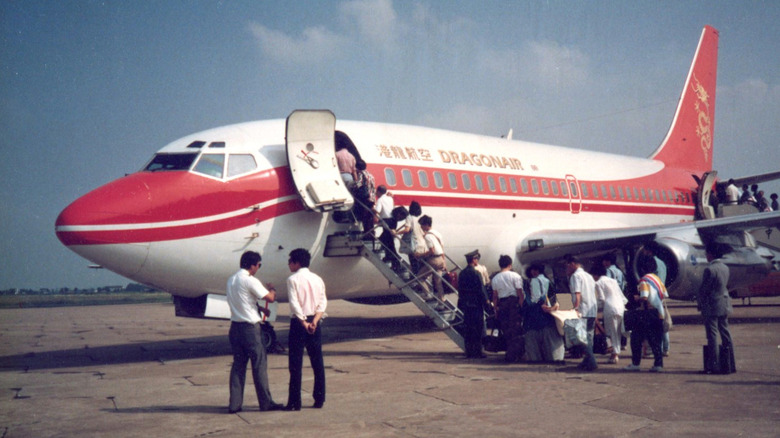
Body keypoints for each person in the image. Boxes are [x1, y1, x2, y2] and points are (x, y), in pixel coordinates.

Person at [226, 251, 283, 413]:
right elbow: (270, 298)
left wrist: (258, 308)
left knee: (238, 365)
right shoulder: (250, 280)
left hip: (235, 327)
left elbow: (243, 301)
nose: (258, 268)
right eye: (259, 265)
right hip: (250, 329)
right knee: (259, 365)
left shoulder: (231, 280)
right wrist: (272, 289)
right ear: (252, 265)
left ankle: (234, 404)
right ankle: (266, 403)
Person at [285, 248, 328, 410]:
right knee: (317, 362)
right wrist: (314, 321)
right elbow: (322, 302)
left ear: (296, 263)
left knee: (295, 364)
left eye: (290, 262)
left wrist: (303, 323)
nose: (288, 265)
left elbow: (294, 304)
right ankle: (319, 399)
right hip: (315, 322)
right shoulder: (318, 279)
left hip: (299, 323)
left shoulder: (292, 279)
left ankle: (295, 402)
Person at [697, 242, 735, 374]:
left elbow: (705, 289)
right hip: (724, 303)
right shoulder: (725, 267)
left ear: (711, 255)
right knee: (725, 332)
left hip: (712, 305)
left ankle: (714, 365)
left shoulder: (709, 269)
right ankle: (730, 363)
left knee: (712, 335)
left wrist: (700, 302)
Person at [623, 257, 666, 372]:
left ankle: (635, 363)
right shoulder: (657, 279)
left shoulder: (644, 280)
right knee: (655, 340)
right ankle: (658, 364)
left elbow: (644, 297)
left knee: (636, 338)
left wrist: (637, 298)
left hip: (646, 313)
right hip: (658, 312)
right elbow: (664, 293)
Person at [564, 254, 598, 371]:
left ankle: (591, 361)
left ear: (572, 264)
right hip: (592, 310)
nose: (567, 268)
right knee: (589, 337)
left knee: (582, 338)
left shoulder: (575, 276)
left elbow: (577, 294)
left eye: (567, 266)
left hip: (582, 310)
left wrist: (575, 309)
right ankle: (587, 361)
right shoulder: (588, 276)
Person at [524, 264, 564, 362]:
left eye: (536, 270)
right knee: (552, 351)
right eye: (533, 270)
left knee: (534, 352)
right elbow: (558, 297)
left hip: (534, 320)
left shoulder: (529, 283)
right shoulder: (548, 282)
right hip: (545, 319)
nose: (534, 272)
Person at [491, 255, 524, 361]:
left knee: (506, 330)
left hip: (503, 305)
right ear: (510, 265)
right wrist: (521, 306)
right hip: (514, 304)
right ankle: (516, 354)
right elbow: (520, 293)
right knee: (516, 329)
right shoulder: (515, 276)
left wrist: (496, 309)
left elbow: (495, 296)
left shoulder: (495, 278)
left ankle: (510, 353)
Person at [591, 265, 626, 364]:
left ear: (596, 275)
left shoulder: (598, 283)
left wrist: (595, 307)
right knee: (618, 331)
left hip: (610, 307)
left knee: (612, 332)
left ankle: (615, 354)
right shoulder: (613, 281)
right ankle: (615, 353)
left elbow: (601, 298)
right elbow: (621, 295)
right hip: (620, 306)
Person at [457, 250, 488, 358]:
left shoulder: (462, 273)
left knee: (468, 329)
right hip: (476, 305)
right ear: (474, 260)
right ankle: (478, 352)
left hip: (466, 305)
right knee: (478, 329)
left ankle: (469, 352)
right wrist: (487, 303)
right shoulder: (476, 273)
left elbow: (460, 290)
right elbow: (481, 289)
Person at [416, 215, 447, 308]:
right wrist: (444, 262)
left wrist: (420, 255)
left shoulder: (428, 236)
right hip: (441, 259)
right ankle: (442, 301)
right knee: (438, 281)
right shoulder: (437, 233)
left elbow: (432, 251)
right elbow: (441, 247)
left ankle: (428, 293)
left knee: (419, 277)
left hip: (434, 260)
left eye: (421, 225)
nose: (421, 227)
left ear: (426, 225)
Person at [374, 185, 398, 265]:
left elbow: (377, 211)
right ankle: (390, 257)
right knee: (389, 241)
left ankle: (395, 261)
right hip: (393, 220)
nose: (376, 193)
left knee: (387, 241)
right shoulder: (390, 198)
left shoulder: (380, 200)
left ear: (379, 192)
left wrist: (375, 218)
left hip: (387, 221)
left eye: (376, 191)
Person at [353, 160, 376, 238]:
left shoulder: (361, 174)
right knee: (370, 217)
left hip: (365, 198)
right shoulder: (370, 175)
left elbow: (358, 184)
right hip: (371, 199)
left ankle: (367, 234)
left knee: (365, 217)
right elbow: (373, 188)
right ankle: (372, 233)